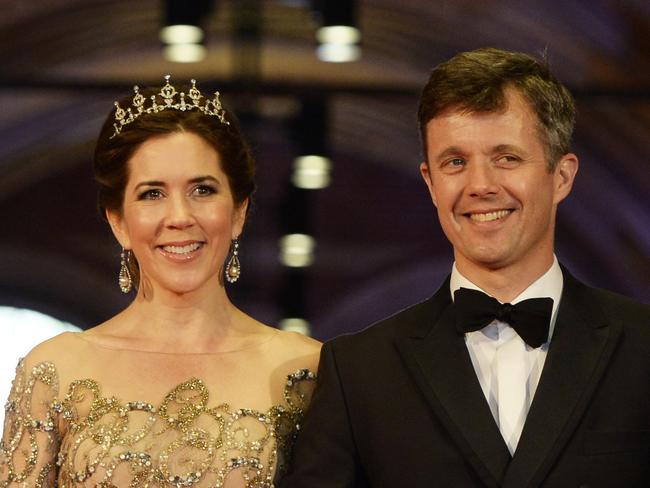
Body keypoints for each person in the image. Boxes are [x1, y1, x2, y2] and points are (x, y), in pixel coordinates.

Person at [282, 48, 650, 487]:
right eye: (455, 162)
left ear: (562, 177)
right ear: (430, 183)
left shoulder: (644, 346)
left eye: (506, 158)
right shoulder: (358, 370)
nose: (479, 186)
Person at [0, 76, 320, 487]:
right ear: (118, 222)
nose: (180, 216)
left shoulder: (305, 369)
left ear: (238, 212)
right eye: (152, 194)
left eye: (202, 189)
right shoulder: (55, 371)